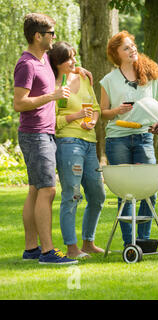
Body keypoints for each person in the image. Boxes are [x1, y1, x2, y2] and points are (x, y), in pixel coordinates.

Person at [13, 13, 79, 265]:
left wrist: (77, 69)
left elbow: (60, 68)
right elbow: (19, 103)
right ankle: (47, 252)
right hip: (35, 134)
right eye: (50, 32)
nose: (54, 36)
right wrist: (51, 96)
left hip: (45, 133)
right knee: (48, 190)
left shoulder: (43, 61)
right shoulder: (27, 64)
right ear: (37, 36)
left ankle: (31, 248)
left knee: (34, 190)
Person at [100, 31, 158, 246]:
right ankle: (130, 243)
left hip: (143, 137)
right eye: (126, 48)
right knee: (126, 193)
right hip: (117, 139)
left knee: (150, 190)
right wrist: (116, 110)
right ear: (116, 54)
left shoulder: (151, 74)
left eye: (133, 46)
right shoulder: (109, 80)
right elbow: (103, 112)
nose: (132, 50)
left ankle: (144, 240)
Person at [48, 41, 105, 259]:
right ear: (58, 62)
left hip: (90, 143)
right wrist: (76, 117)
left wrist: (92, 121)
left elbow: (96, 108)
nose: (74, 61)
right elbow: (52, 121)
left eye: (74, 56)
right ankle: (72, 248)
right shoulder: (53, 85)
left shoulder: (83, 78)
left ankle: (88, 243)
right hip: (68, 143)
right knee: (72, 195)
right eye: (69, 58)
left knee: (98, 195)